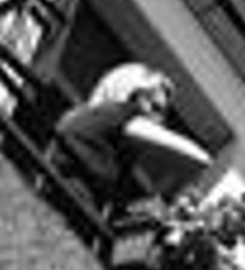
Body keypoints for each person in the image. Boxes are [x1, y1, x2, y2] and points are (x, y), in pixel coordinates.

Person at [49, 62, 212, 218]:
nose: (157, 118)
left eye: (161, 112)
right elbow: (68, 129)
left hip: (77, 187)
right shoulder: (124, 114)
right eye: (154, 107)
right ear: (138, 96)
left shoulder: (119, 125)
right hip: (70, 185)